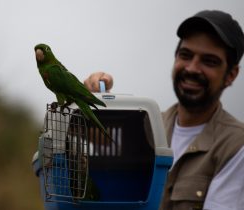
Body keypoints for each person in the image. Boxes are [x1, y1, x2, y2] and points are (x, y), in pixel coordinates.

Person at [84, 10, 244, 210]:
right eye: (186, 55)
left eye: (209, 61)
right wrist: (87, 101)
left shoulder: (236, 146)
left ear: (231, 74)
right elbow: (90, 137)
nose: (192, 68)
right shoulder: (147, 123)